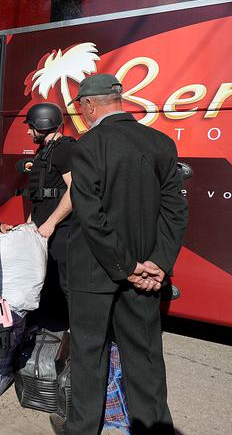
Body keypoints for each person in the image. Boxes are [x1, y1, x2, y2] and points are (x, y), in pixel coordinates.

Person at [51, 74, 188, 435]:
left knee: (89, 354)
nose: (81, 112)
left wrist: (125, 266)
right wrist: (158, 262)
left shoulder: (88, 146)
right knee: (144, 357)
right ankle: (155, 429)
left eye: (81, 106)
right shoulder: (160, 142)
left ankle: (81, 430)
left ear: (90, 105)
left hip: (96, 272)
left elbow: (91, 216)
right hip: (146, 275)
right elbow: (175, 211)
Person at [10, 102, 75, 326]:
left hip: (62, 231)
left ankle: (70, 336)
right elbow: (40, 194)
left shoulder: (65, 149)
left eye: (31, 126)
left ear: (43, 124)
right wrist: (30, 224)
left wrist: (51, 223)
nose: (28, 131)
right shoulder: (45, 151)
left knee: (63, 285)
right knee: (43, 283)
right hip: (42, 230)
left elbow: (75, 190)